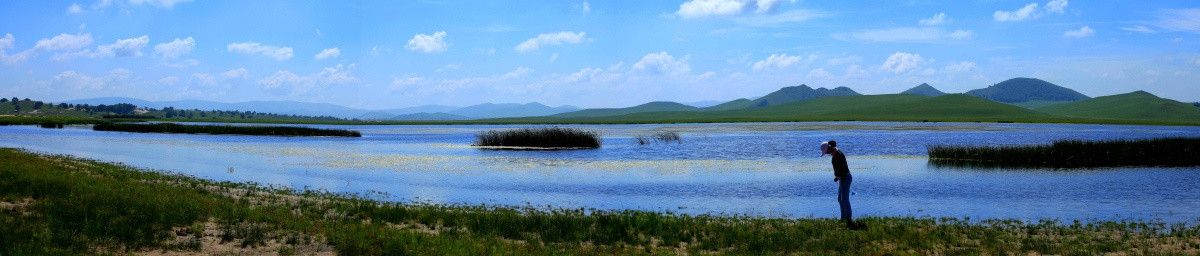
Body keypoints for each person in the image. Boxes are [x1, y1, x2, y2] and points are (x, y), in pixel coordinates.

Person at [821, 140, 859, 229]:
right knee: (840, 199)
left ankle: (848, 219)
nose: (826, 153)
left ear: (829, 148)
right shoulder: (835, 154)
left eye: (826, 151)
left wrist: (843, 178)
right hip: (842, 178)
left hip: (845, 178)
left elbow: (844, 167)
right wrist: (837, 177)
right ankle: (843, 218)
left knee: (845, 199)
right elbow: (839, 168)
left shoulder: (838, 154)